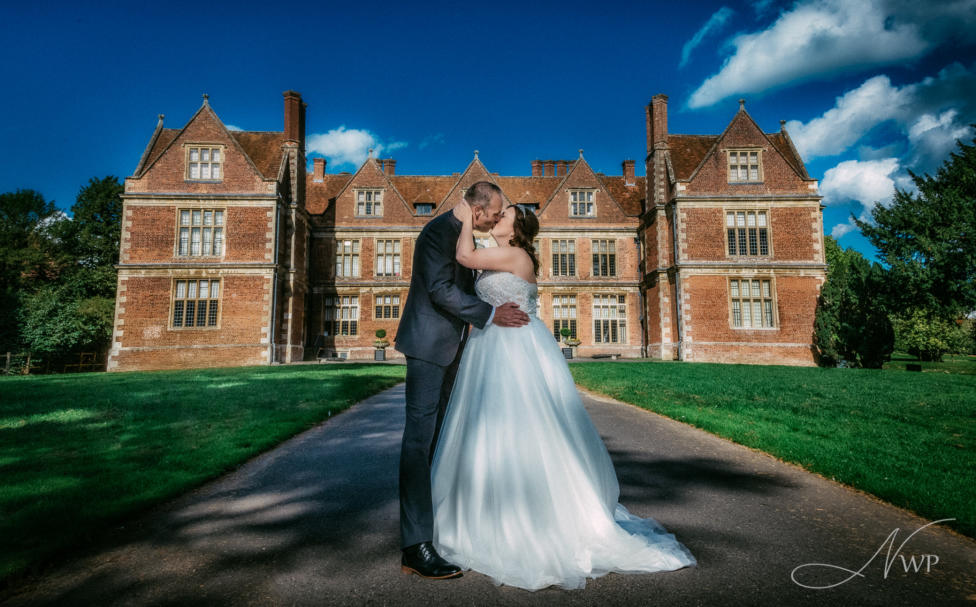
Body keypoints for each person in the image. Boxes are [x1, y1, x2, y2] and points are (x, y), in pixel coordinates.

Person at [430, 201, 696, 591]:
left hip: (512, 348)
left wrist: (466, 216)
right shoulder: (499, 256)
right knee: (488, 427)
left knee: (521, 425)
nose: (496, 216)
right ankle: (485, 506)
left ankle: (529, 517)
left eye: (503, 215)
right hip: (493, 344)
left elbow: (464, 255)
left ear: (516, 230)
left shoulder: (515, 255)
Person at [394, 181, 529, 579]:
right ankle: (415, 547)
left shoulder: (468, 236)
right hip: (428, 348)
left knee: (443, 438)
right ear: (476, 208)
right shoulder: (438, 232)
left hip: (455, 351)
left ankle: (439, 531)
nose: (494, 218)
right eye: (493, 212)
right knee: (419, 443)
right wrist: (490, 316)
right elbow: (439, 290)